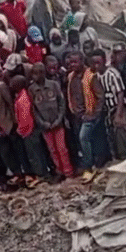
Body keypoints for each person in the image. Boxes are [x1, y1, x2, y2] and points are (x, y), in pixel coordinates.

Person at [29, 62, 73, 179]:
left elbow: (61, 103)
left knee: (62, 148)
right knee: (52, 149)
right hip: (45, 126)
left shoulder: (53, 85)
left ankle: (68, 171)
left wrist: (59, 119)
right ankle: (59, 171)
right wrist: (43, 123)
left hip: (57, 123)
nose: (38, 76)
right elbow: (34, 110)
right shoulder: (32, 89)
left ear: (45, 73)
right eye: (35, 73)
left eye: (41, 72)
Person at [67, 51, 103, 182]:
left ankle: (88, 166)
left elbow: (100, 96)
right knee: (82, 139)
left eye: (75, 62)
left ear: (82, 62)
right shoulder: (71, 76)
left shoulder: (90, 76)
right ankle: (92, 162)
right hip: (77, 115)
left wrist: (94, 114)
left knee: (83, 138)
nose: (72, 65)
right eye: (71, 62)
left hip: (90, 114)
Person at [10, 75, 47, 186]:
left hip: (29, 131)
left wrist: (22, 131)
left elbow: (26, 118)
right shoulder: (21, 95)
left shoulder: (23, 99)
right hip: (28, 130)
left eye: (13, 83)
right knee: (35, 153)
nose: (10, 85)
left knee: (34, 154)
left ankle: (41, 175)